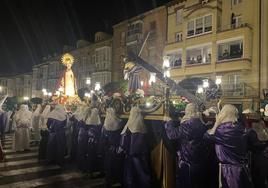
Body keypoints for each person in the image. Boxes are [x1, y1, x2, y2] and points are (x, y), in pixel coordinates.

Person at [204, 104, 253, 188]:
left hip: (229, 171)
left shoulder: (223, 129)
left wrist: (216, 123)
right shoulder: (241, 128)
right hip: (242, 168)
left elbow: (207, 136)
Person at [165, 103, 210, 188]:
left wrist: (169, 122)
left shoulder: (189, 124)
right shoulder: (200, 122)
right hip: (198, 159)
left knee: (187, 182)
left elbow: (172, 134)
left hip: (188, 160)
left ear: (188, 111)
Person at [119, 106, 151, 188]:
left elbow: (123, 142)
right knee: (142, 173)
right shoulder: (143, 126)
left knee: (130, 174)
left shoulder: (129, 126)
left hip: (130, 155)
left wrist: (122, 148)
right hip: (141, 156)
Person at [100, 107, 123, 187]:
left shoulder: (105, 125)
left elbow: (103, 139)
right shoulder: (119, 123)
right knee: (117, 165)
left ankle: (109, 180)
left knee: (109, 165)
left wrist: (103, 148)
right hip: (117, 149)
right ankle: (117, 179)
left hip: (108, 149)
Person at [247, 119, 268, 188]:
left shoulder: (251, 132)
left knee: (257, 178)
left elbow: (252, 146)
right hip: (260, 157)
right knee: (260, 178)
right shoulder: (261, 131)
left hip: (257, 158)